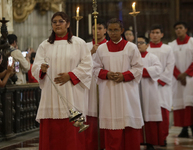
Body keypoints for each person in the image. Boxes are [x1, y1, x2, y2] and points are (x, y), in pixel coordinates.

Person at [31, 12, 92, 150]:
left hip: (72, 91)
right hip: (51, 93)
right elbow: (35, 67)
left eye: (61, 21)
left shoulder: (79, 43)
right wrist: (42, 69)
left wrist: (71, 75)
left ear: (68, 24)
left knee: (71, 135)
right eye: (54, 22)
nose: (57, 24)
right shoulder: (44, 45)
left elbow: (88, 65)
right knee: (52, 133)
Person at [93, 18, 144, 150]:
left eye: (116, 30)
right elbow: (94, 68)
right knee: (112, 128)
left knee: (129, 127)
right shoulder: (101, 49)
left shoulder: (131, 47)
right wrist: (107, 74)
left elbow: (138, 68)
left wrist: (124, 76)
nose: (113, 33)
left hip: (127, 92)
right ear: (107, 31)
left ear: (122, 30)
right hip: (108, 91)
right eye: (111, 30)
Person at [168, 21, 193, 138]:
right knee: (180, 103)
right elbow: (171, 62)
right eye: (176, 28)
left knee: (191, 102)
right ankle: (184, 129)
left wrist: (185, 74)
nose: (178, 30)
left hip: (191, 78)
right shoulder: (171, 45)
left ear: (186, 29)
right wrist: (178, 76)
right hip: (177, 79)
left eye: (180, 28)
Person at [147, 24, 175, 146]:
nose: (155, 35)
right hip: (148, 85)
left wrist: (160, 80)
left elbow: (170, 66)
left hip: (162, 86)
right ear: (149, 35)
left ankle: (163, 137)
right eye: (152, 32)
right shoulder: (146, 49)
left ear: (162, 34)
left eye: (157, 32)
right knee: (149, 112)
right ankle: (150, 139)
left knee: (163, 112)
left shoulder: (167, 49)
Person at [137, 36, 162, 150]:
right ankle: (139, 140)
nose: (139, 45)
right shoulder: (132, 57)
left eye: (141, 43)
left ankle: (150, 141)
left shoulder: (152, 57)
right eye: (137, 43)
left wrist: (140, 71)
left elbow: (157, 69)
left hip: (149, 89)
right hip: (135, 89)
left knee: (150, 113)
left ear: (147, 45)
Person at [85, 18, 107, 150]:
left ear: (105, 30)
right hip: (88, 85)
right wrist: (90, 52)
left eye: (99, 28)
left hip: (104, 83)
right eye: (94, 28)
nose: (96, 31)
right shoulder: (85, 46)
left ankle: (104, 144)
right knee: (90, 113)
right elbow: (78, 62)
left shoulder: (109, 46)